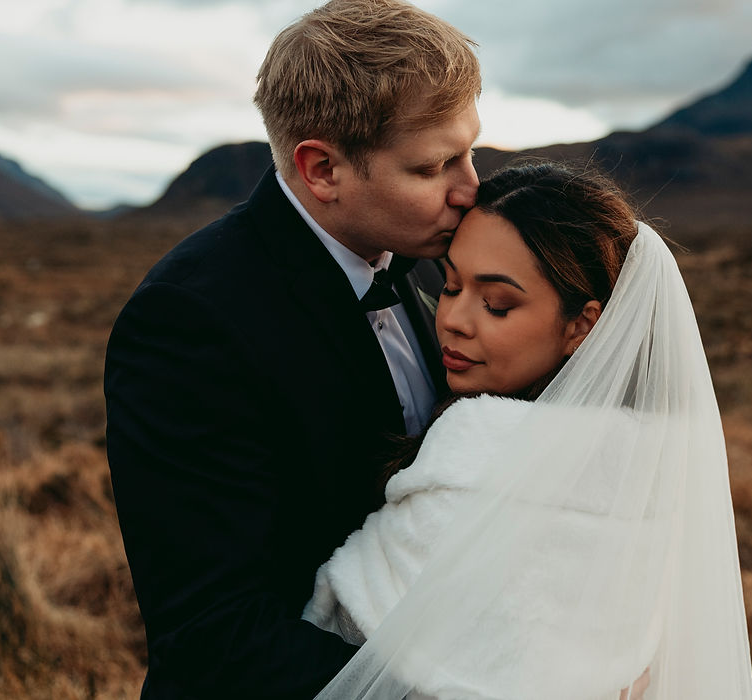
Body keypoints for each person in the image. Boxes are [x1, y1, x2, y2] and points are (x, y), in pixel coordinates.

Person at [103, 1, 480, 697]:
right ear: (322, 170)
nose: (470, 189)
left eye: (470, 151)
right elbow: (214, 632)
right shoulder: (189, 323)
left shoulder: (434, 262)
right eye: (433, 167)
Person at [303, 163, 752, 698]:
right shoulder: (652, 468)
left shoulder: (474, 458)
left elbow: (342, 628)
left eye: (497, 304)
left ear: (581, 326)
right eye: (449, 286)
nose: (453, 319)